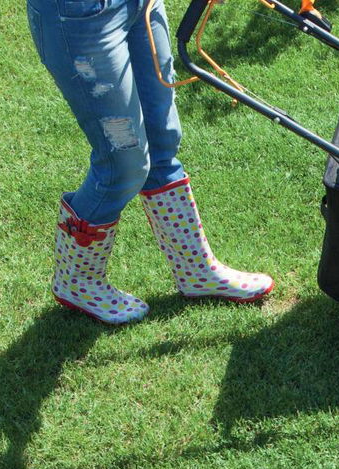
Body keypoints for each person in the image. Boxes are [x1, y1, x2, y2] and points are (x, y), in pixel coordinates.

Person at [27, 0, 272, 324]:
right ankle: (77, 282)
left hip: (142, 5)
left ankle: (195, 271)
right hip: (81, 15)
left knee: (162, 141)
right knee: (122, 162)